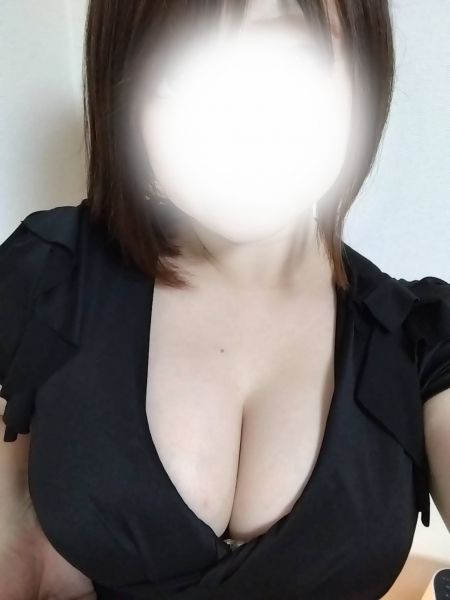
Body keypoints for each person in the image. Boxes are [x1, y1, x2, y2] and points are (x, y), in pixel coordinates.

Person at [1, 1, 449, 599]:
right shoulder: (47, 274)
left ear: (362, 74)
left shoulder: (422, 339)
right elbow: (14, 534)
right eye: (179, 69)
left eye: (290, 59)